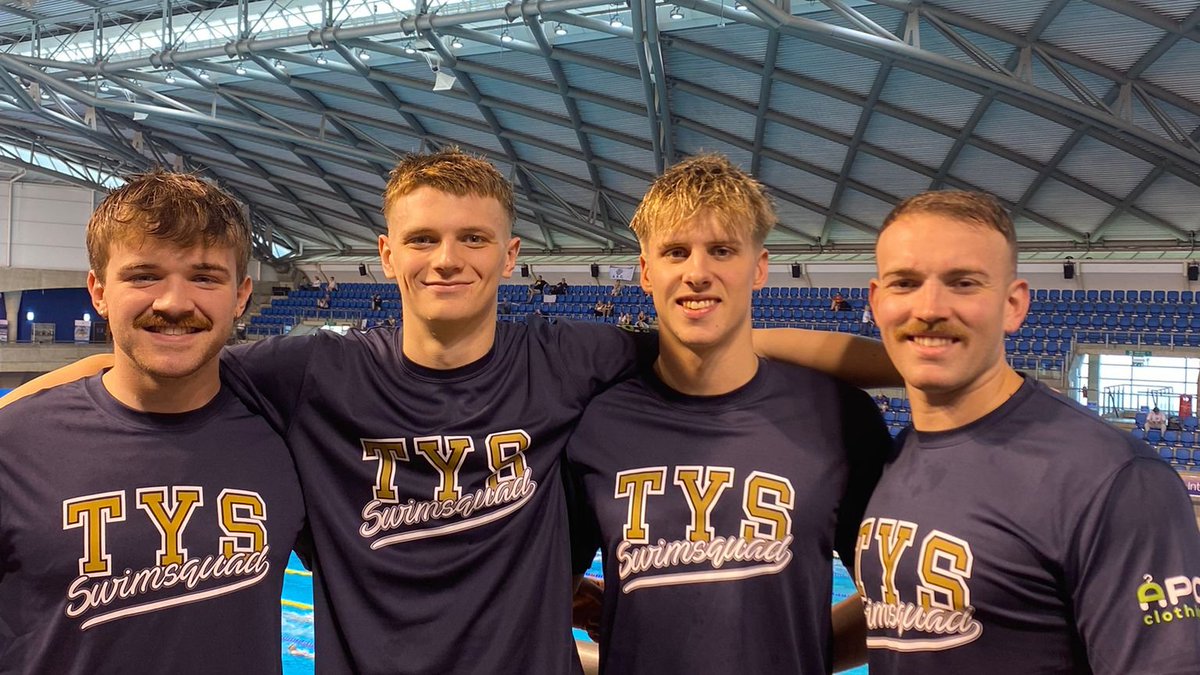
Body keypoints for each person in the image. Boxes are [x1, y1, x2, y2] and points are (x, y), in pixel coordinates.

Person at [2, 149, 900, 674]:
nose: (447, 258)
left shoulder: (568, 358)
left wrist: (905, 366)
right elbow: (160, 355)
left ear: (510, 254)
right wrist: (33, 400)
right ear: (387, 252)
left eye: (473, 237)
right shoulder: (310, 372)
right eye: (423, 238)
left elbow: (713, 339)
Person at [565, 154, 888, 674]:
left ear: (759, 267)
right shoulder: (594, 426)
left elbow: (899, 596)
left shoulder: (840, 418)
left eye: (721, 250)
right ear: (646, 272)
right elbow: (537, 588)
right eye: (676, 252)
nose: (697, 273)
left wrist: (803, 651)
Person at [855, 190, 1200, 673]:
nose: (929, 308)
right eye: (905, 283)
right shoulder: (896, 454)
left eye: (963, 283)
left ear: (1013, 305)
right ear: (877, 302)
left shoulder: (1114, 478)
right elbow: (903, 610)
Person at [0, 171, 305, 672]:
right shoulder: (15, 446)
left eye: (205, 277)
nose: (174, 303)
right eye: (144, 276)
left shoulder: (288, 440)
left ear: (241, 295)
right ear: (98, 290)